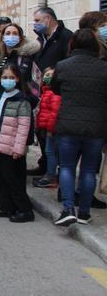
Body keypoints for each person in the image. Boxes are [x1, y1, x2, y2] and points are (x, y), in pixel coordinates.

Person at [52, 29, 107, 226]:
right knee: (89, 170)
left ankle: (68, 208)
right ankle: (84, 212)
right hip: (96, 126)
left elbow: (55, 89)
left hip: (68, 124)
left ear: (73, 43)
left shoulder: (63, 66)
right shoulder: (103, 68)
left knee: (66, 167)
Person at [0, 64, 35, 223]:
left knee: (13, 180)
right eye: (5, 77)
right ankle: (6, 207)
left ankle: (25, 210)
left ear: (18, 79)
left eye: (12, 78)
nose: (8, 81)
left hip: (12, 147)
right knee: (3, 177)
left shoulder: (22, 100)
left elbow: (24, 127)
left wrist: (19, 148)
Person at [30, 7, 73, 176]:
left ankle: (51, 171)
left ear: (48, 19)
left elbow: (67, 61)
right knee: (41, 131)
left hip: (55, 93)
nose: (35, 24)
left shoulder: (65, 37)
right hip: (39, 92)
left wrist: (53, 72)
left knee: (50, 134)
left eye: (38, 21)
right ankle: (45, 164)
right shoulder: (41, 39)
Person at [0, 23, 40, 98]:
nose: (11, 36)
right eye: (8, 33)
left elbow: (21, 78)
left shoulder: (25, 57)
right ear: (2, 37)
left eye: (15, 33)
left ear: (20, 38)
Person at [32, 67, 60, 189]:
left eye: (51, 75)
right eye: (46, 74)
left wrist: (50, 129)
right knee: (48, 152)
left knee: (50, 152)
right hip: (44, 127)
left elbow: (54, 113)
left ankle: (50, 175)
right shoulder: (45, 91)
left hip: (50, 130)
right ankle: (48, 174)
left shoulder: (53, 93)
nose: (47, 77)